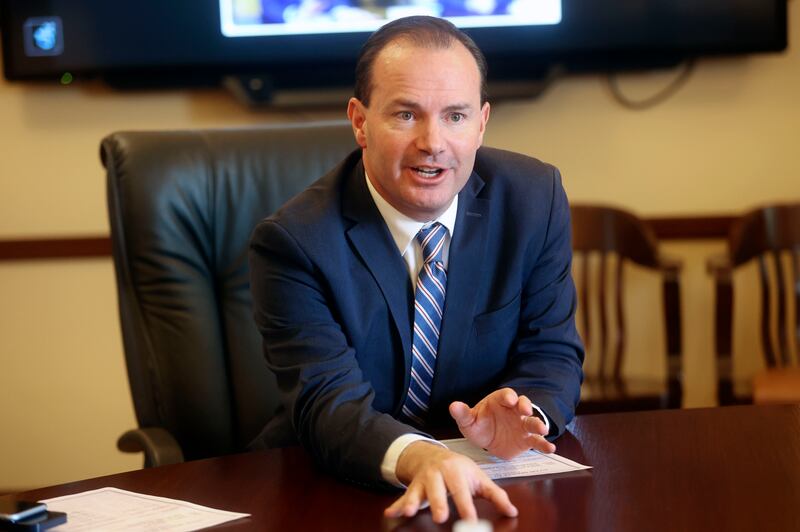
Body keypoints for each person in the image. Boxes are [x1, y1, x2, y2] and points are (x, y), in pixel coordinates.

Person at [248, 15, 584, 523]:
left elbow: (553, 350)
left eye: (455, 116)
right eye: (406, 115)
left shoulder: (533, 200)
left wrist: (526, 414)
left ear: (482, 123)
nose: (433, 141)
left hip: (492, 482)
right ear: (360, 121)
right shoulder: (296, 242)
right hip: (335, 490)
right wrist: (423, 455)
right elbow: (328, 404)